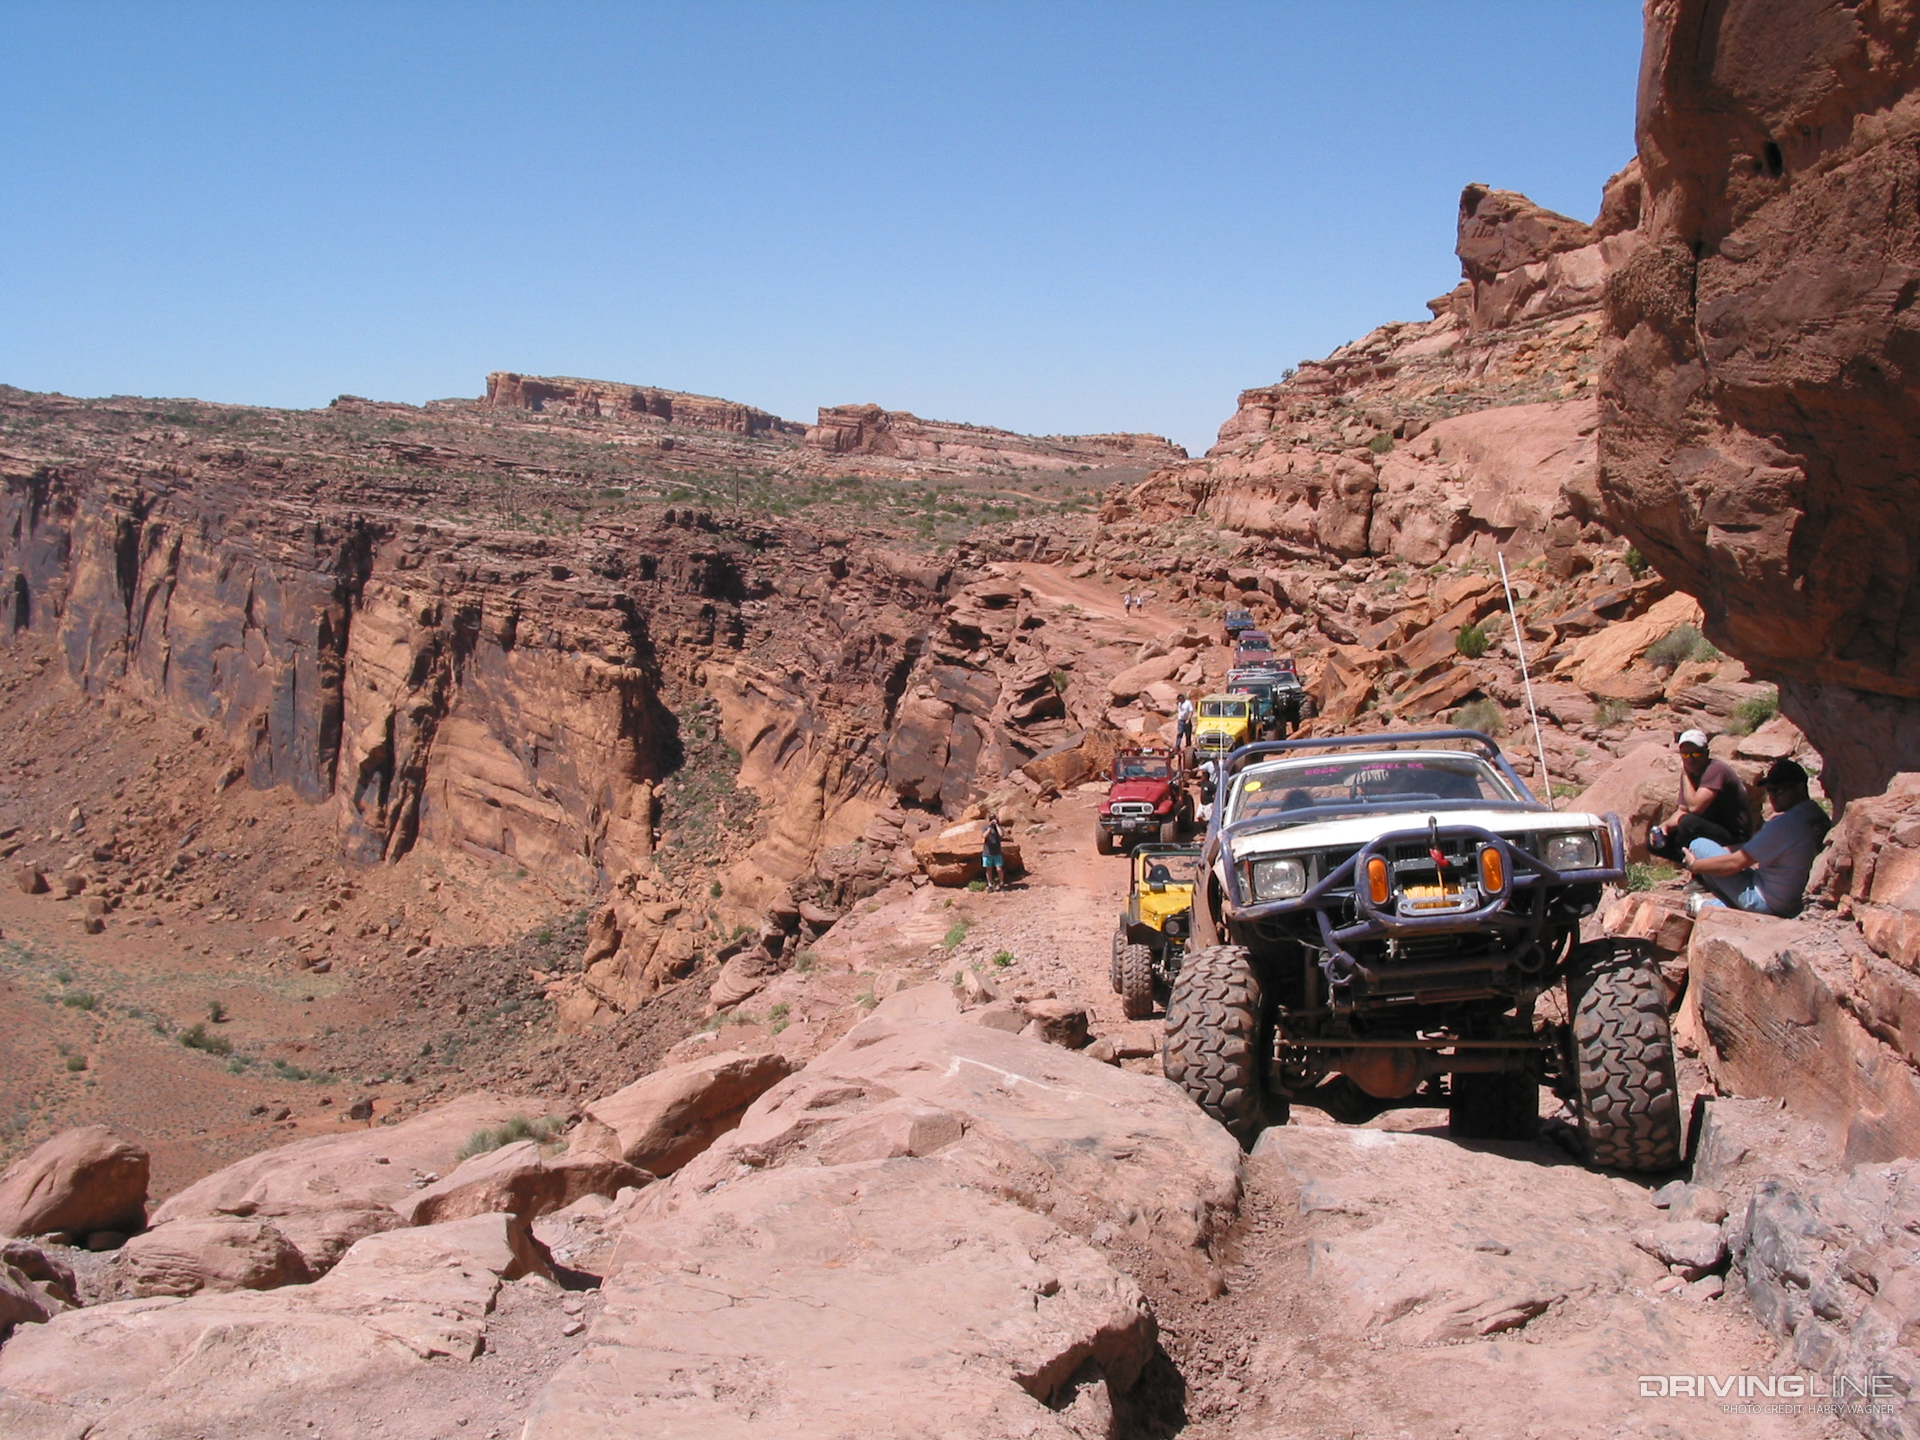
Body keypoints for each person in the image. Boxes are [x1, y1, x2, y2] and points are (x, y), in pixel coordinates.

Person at [1681, 758, 1831, 917]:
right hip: (1794, 902)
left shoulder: (1784, 824)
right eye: (1769, 790)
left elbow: (1735, 863)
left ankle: (1709, 907)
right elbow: (1755, 847)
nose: (1773, 796)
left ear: (1800, 788)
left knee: (1699, 845)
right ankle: (1712, 906)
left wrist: (1694, 865)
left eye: (1778, 790)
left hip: (1766, 902)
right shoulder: (1816, 814)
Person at [1648, 729, 1752, 862]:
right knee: (1657, 842)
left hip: (1733, 835)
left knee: (1688, 823)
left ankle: (1700, 872)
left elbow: (1696, 807)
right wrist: (1665, 826)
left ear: (1706, 753)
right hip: (1709, 827)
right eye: (1685, 754)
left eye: (1696, 753)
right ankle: (1694, 866)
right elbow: (1682, 810)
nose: (1690, 759)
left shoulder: (1715, 770)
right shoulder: (1691, 774)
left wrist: (1685, 774)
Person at [980, 814, 1006, 892]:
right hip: (987, 852)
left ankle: (1001, 883)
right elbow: (984, 836)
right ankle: (990, 885)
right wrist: (990, 827)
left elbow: (1001, 834)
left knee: (999, 869)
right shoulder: (985, 828)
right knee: (989, 869)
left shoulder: (999, 828)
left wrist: (997, 825)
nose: (993, 820)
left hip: (997, 852)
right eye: (991, 819)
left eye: (994, 819)